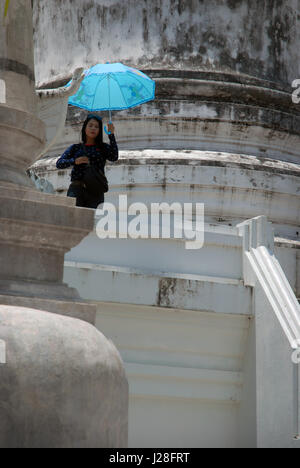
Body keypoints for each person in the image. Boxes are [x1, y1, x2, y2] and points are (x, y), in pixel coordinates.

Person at [56, 114, 118, 209]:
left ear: (99, 130)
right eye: (90, 125)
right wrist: (75, 161)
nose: (93, 128)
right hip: (76, 189)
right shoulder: (76, 148)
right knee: (73, 219)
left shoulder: (103, 148)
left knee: (91, 221)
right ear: (85, 127)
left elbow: (114, 157)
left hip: (95, 190)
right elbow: (59, 163)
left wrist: (111, 135)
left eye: (96, 127)